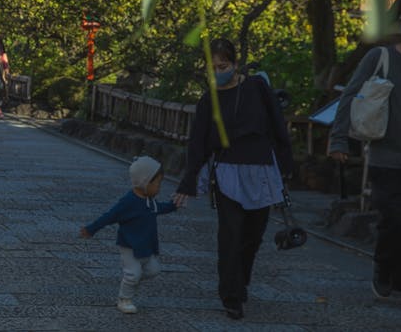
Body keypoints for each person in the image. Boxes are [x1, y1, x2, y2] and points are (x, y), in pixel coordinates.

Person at [172, 38, 294, 320]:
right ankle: (231, 295)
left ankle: (242, 282)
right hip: (227, 172)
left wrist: (286, 168)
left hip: (261, 169)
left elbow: (278, 126)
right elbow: (198, 143)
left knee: (253, 236)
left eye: (223, 66)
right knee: (230, 234)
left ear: (235, 64)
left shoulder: (257, 88)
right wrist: (188, 182)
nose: (218, 71)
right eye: (212, 68)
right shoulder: (207, 101)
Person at [330, 4, 401, 299]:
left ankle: (398, 278)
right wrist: (338, 140)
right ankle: (383, 268)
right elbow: (350, 95)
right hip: (386, 156)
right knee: (394, 218)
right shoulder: (381, 57)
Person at [81, 156, 179, 314]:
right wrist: (91, 228)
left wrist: (174, 205)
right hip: (129, 245)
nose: (159, 188)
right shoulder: (129, 202)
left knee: (153, 270)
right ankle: (124, 299)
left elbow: (159, 208)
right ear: (144, 182)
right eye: (157, 183)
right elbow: (110, 216)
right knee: (133, 273)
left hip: (146, 245)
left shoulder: (150, 201)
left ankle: (131, 283)